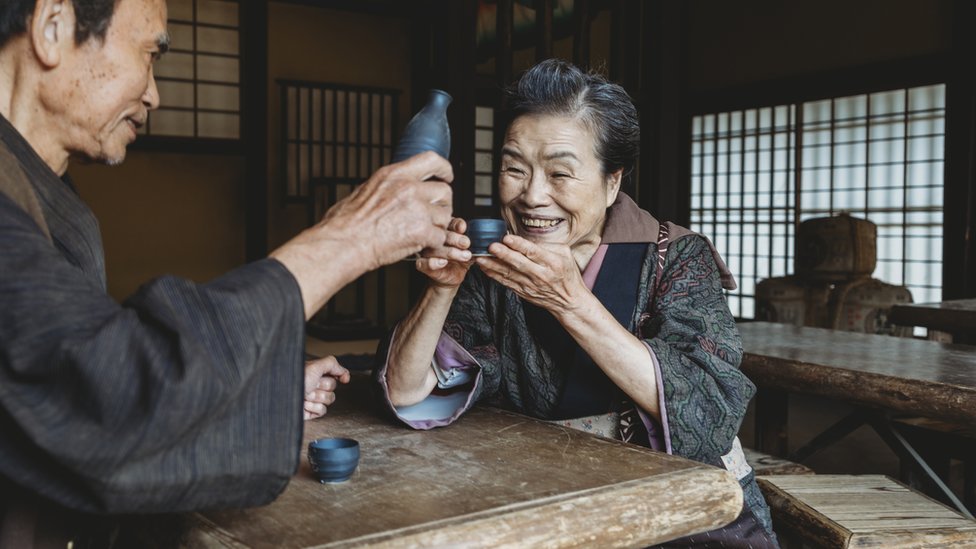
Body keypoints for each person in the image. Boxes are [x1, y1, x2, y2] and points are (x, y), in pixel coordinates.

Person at [0, 0, 466, 543]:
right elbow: (109, 396)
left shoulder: (38, 190)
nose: (154, 93)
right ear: (52, 27)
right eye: (149, 53)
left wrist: (249, 386)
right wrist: (351, 237)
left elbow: (62, 378)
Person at [374, 59, 779, 547]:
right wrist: (442, 288)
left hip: (682, 508)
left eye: (560, 173)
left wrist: (571, 303)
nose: (533, 196)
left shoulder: (677, 256)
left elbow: (707, 412)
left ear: (613, 183)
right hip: (542, 501)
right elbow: (408, 392)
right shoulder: (493, 264)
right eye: (513, 169)